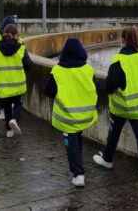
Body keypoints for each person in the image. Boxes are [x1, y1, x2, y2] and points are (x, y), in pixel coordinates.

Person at [92, 27, 138, 177]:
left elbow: (110, 85)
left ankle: (107, 159)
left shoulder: (119, 60)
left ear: (122, 40)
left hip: (122, 106)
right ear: (137, 41)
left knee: (114, 132)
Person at [44, 38, 98, 187]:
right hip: (84, 115)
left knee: (71, 143)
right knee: (77, 139)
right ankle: (78, 164)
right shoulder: (88, 70)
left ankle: (78, 174)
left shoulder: (58, 70)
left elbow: (48, 91)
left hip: (67, 117)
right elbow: (95, 89)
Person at [0, 24, 33, 137]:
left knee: (7, 107)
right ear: (15, 35)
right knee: (18, 103)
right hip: (18, 84)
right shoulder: (21, 49)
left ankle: (9, 130)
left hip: (2, 86)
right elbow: (29, 64)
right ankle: (15, 119)